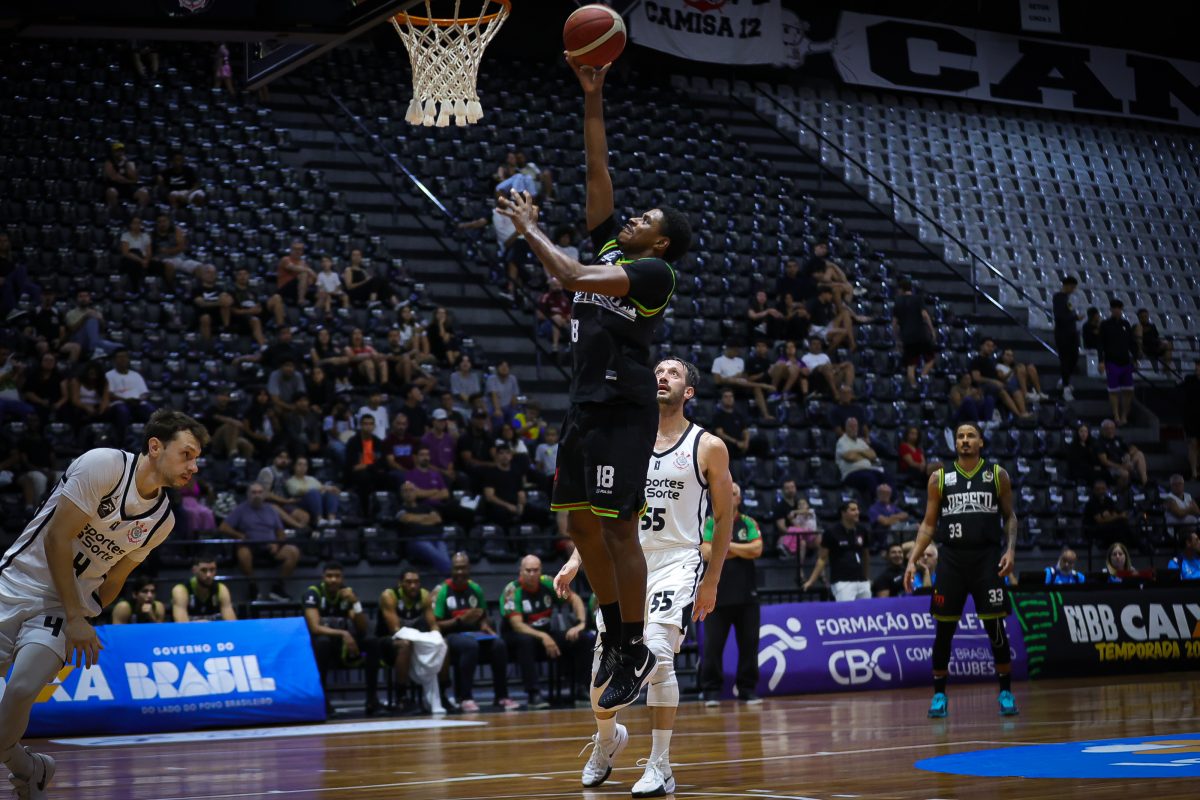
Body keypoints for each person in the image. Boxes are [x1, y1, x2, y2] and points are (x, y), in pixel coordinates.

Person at [495, 53, 693, 713]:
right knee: (579, 525)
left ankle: (633, 645)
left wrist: (530, 231)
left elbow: (573, 277)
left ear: (660, 244)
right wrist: (592, 94)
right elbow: (597, 167)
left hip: (621, 410)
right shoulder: (613, 245)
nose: (632, 219)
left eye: (646, 221)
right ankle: (614, 632)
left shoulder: (655, 276)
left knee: (617, 531)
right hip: (583, 406)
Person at [0, 410, 206, 798]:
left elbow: (114, 579)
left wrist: (83, 615)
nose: (193, 467)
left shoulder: (162, 521)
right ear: (156, 447)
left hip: (61, 610)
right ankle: (28, 767)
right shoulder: (104, 465)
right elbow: (57, 539)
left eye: (196, 459)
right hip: (15, 584)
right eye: (187, 455)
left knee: (23, 687)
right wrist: (77, 617)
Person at [554, 357, 733, 794]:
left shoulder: (708, 446)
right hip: (626, 562)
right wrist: (578, 558)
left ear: (688, 391)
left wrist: (711, 580)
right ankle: (607, 738)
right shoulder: (626, 442)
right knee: (602, 679)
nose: (662, 377)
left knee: (658, 654)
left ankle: (660, 765)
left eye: (673, 373)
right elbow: (605, 513)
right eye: (658, 371)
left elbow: (725, 516)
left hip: (677, 559)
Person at [904, 422, 1019, 719]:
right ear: (955, 443)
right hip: (952, 561)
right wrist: (912, 559)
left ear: (981, 442)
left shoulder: (997, 475)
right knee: (944, 631)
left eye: (971, 436)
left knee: (995, 629)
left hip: (987, 560)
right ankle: (939, 696)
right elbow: (928, 524)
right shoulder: (940, 478)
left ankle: (1005, 692)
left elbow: (1010, 517)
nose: (965, 440)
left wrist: (1010, 550)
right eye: (960, 437)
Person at [698, 482, 760, 708]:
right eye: (726, 492)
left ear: (739, 499)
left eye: (733, 493)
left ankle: (747, 690)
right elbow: (706, 552)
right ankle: (711, 691)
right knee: (713, 647)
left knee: (749, 645)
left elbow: (757, 549)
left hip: (747, 596)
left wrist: (724, 546)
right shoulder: (709, 522)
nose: (729, 495)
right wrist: (740, 550)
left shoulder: (748, 522)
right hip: (716, 597)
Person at [433, 552, 519, 712]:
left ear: (469, 569)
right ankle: (465, 697)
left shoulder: (475, 589)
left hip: (474, 634)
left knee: (499, 644)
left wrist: (485, 625)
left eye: (463, 568)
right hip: (451, 636)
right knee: (469, 645)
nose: (460, 572)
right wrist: (460, 620)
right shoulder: (443, 590)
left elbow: (483, 616)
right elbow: (435, 624)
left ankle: (501, 696)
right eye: (457, 568)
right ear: (451, 569)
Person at [501, 554, 590, 709]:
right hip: (518, 636)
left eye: (535, 570)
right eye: (528, 570)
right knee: (526, 642)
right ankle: (533, 694)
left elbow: (574, 599)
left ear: (540, 570)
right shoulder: (512, 590)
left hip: (545, 634)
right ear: (521, 571)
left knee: (582, 638)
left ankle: (581, 689)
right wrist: (543, 637)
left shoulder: (548, 583)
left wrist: (580, 623)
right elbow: (517, 625)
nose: (532, 574)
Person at [302, 562, 382, 716]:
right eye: (329, 576)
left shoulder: (347, 594)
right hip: (321, 648)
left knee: (371, 642)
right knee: (323, 642)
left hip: (344, 647)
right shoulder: (313, 593)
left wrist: (356, 603)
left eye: (337, 576)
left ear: (342, 578)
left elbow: (362, 628)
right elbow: (315, 628)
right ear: (323, 577)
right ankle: (322, 700)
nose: (333, 580)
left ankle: (372, 700)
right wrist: (344, 634)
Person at [376, 570, 447, 715]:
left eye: (416, 582)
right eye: (408, 582)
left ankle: (442, 694)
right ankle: (401, 697)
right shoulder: (389, 596)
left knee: (443, 643)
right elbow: (395, 629)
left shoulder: (424, 595)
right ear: (400, 584)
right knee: (405, 645)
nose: (413, 586)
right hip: (387, 641)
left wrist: (437, 637)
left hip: (413, 638)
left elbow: (433, 624)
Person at [219, 483, 302, 602]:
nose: (257, 495)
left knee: (293, 551)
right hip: (250, 546)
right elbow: (223, 527)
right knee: (242, 552)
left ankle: (278, 588)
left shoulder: (271, 510)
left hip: (270, 546)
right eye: (254, 492)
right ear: (248, 495)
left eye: (259, 492)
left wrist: (277, 544)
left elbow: (281, 533)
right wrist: (239, 535)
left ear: (264, 495)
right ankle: (253, 586)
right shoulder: (240, 509)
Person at [802, 501, 871, 600]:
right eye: (853, 510)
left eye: (857, 509)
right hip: (842, 582)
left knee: (866, 609)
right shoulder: (831, 532)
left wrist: (866, 577)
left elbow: (866, 556)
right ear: (843, 513)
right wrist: (811, 581)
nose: (857, 512)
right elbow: (822, 558)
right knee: (847, 609)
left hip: (862, 581)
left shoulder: (862, 530)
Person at [711, 342, 774, 421]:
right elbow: (717, 380)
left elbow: (745, 377)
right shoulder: (718, 361)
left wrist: (741, 376)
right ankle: (763, 385)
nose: (737, 352)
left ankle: (765, 414)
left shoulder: (740, 360)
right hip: (726, 384)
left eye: (738, 351)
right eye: (735, 350)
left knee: (756, 388)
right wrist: (732, 377)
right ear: (728, 349)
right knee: (734, 381)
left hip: (742, 384)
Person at [893, 277, 937, 387]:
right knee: (930, 360)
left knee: (911, 365)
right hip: (921, 335)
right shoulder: (918, 299)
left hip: (907, 337)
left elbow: (894, 324)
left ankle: (913, 386)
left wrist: (897, 339)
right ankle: (922, 377)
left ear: (901, 289)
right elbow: (925, 316)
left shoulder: (898, 302)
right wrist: (932, 330)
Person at [970, 339, 1030, 419]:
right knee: (1001, 391)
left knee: (1015, 389)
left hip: (996, 383)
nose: (990, 348)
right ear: (981, 346)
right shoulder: (976, 360)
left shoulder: (991, 361)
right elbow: (976, 378)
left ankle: (1024, 412)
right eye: (988, 345)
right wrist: (994, 381)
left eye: (992, 346)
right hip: (984, 386)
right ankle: (1018, 415)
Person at [1098, 299, 1136, 425]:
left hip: (1125, 362)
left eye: (1119, 308)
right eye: (1115, 308)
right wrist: (1101, 361)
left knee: (1128, 391)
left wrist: (1135, 358)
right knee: (1113, 390)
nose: (1117, 310)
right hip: (1112, 362)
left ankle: (1124, 416)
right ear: (1111, 310)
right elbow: (1100, 344)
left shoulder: (1126, 324)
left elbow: (1131, 342)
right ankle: (1116, 415)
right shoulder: (1105, 325)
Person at [171, 553, 236, 622]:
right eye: (203, 570)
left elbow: (231, 623)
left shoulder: (221, 589)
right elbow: (182, 625)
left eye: (212, 570)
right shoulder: (181, 590)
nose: (208, 575)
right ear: (194, 570)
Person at [836, 417, 885, 501]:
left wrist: (858, 452)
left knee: (885, 475)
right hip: (851, 473)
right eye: (851, 426)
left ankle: (891, 501)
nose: (853, 428)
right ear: (846, 428)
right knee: (870, 477)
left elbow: (873, 455)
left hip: (868, 469)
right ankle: (877, 502)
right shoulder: (842, 442)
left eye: (855, 426)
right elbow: (850, 457)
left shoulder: (861, 441)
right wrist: (864, 454)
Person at [1093, 419, 1148, 488]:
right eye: (1107, 429)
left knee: (1139, 454)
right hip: (1110, 468)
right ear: (1102, 430)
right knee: (1124, 473)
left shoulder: (1118, 439)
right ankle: (1120, 491)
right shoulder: (1099, 442)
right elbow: (1104, 461)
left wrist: (1128, 454)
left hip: (1123, 462)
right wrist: (1122, 467)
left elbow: (1134, 448)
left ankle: (1145, 484)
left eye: (1112, 428)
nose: (1110, 431)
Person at [1053, 276, 1082, 401]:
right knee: (1065, 360)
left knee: (1074, 358)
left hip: (1072, 332)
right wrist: (1075, 317)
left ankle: (1064, 380)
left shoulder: (1067, 298)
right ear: (1067, 285)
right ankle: (1065, 387)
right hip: (1062, 333)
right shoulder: (1058, 297)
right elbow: (1059, 316)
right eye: (1072, 287)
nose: (1073, 290)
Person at [1081, 479, 1131, 548]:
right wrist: (1119, 516)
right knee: (1120, 524)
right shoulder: (1091, 503)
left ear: (1106, 489)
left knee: (1121, 523)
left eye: (1103, 489)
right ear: (1094, 490)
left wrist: (1116, 516)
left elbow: (1114, 513)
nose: (1101, 491)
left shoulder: (1108, 500)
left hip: (1106, 525)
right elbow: (1100, 520)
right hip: (1092, 527)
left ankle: (1124, 547)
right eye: (1098, 489)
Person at [103, 141, 150, 209]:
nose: (119, 153)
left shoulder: (129, 162)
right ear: (113, 152)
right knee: (111, 192)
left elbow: (134, 177)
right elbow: (115, 177)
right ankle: (114, 212)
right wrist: (130, 181)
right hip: (114, 186)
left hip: (128, 187)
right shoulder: (109, 162)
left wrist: (126, 163)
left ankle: (139, 212)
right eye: (117, 151)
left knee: (144, 193)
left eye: (121, 151)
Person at [868, 483, 910, 549]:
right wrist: (896, 518)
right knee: (894, 528)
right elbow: (885, 522)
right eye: (883, 493)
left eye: (888, 493)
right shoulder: (873, 508)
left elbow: (905, 515)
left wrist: (893, 517)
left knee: (917, 526)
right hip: (884, 535)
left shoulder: (892, 506)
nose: (886, 495)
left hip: (898, 531)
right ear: (878, 494)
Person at [277, 241, 317, 309]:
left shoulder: (303, 263)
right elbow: (293, 267)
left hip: (299, 289)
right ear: (291, 250)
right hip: (285, 288)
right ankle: (301, 300)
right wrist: (309, 270)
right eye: (295, 249)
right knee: (303, 274)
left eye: (300, 249)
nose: (297, 251)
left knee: (320, 293)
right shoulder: (286, 259)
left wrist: (311, 279)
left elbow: (313, 277)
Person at [1135, 308, 1173, 373]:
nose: (1144, 318)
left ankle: (1166, 367)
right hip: (1145, 349)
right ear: (1139, 318)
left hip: (1155, 348)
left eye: (1146, 316)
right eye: (1142, 317)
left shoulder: (1152, 326)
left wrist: (1161, 343)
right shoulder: (1137, 327)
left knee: (1168, 344)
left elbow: (1156, 337)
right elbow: (1138, 340)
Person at [1184, 360, 1200, 480]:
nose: (1197, 368)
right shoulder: (1189, 380)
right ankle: (1194, 472)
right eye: (1197, 366)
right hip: (1191, 417)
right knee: (1192, 443)